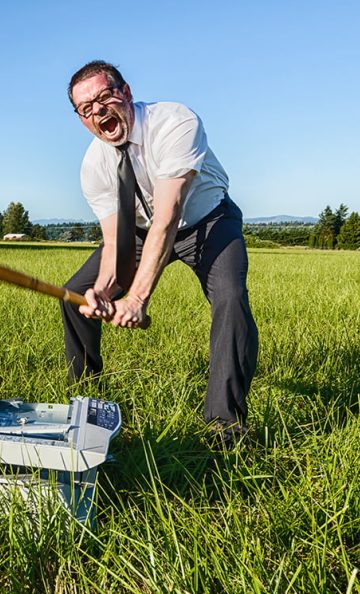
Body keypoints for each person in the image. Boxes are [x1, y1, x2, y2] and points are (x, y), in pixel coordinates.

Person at [61, 60, 258, 447]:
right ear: (81, 118)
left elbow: (168, 216)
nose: (98, 111)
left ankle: (225, 427)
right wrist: (105, 288)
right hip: (137, 232)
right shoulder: (93, 165)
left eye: (105, 97)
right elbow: (116, 242)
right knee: (77, 297)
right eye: (86, 108)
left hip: (207, 221)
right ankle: (87, 409)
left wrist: (137, 297)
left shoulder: (173, 122)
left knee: (231, 300)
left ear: (127, 93)